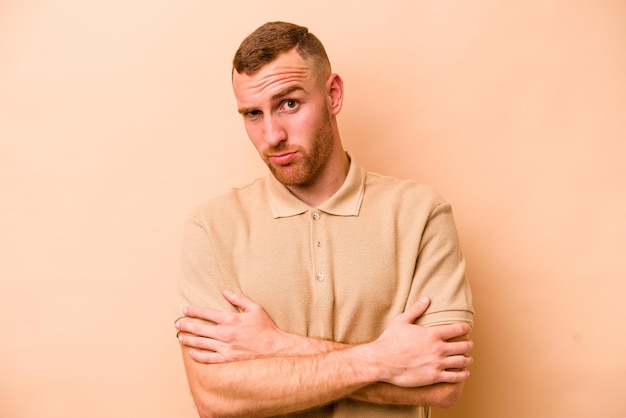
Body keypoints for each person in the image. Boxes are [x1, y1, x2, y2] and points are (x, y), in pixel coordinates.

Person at [175, 21, 474, 418]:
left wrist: (276, 346)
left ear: (332, 95)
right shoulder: (211, 228)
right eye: (252, 113)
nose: (271, 135)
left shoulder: (421, 214)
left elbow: (442, 385)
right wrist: (384, 360)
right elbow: (215, 399)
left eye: (289, 104)